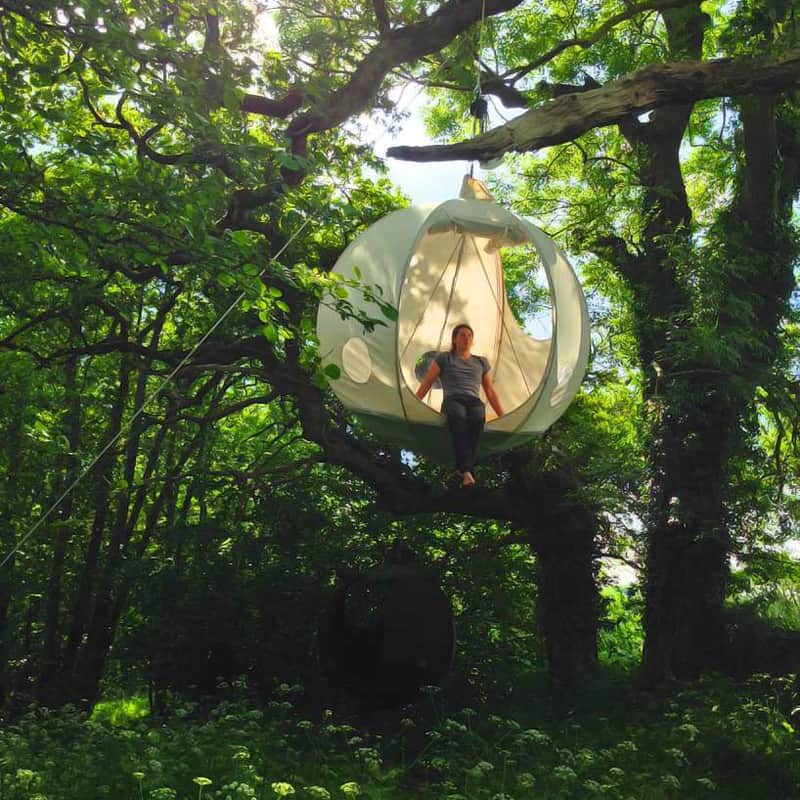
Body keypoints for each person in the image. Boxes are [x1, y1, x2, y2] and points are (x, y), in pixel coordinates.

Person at [415, 323, 504, 487]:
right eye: (462, 335)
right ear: (454, 339)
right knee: (459, 418)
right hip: (453, 399)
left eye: (469, 335)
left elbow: (490, 392)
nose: (466, 338)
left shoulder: (481, 362)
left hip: (473, 401)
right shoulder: (444, 358)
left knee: (477, 419)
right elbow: (427, 382)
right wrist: (413, 404)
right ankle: (467, 470)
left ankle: (463, 470)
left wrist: (503, 416)